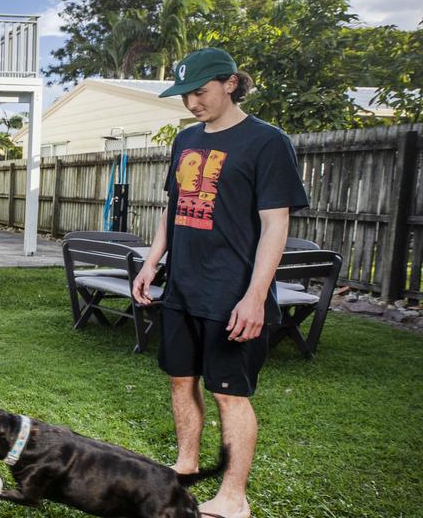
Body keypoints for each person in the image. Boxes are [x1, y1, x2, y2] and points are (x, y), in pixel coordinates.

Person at [132, 47, 308, 518]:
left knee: (230, 394)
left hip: (233, 293)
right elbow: (173, 206)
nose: (192, 103)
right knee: (179, 381)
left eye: (201, 92)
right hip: (183, 288)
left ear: (231, 83)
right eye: (186, 95)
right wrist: (153, 261)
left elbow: (275, 224)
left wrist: (254, 298)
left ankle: (233, 497)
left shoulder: (267, 142)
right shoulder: (185, 140)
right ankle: (186, 467)